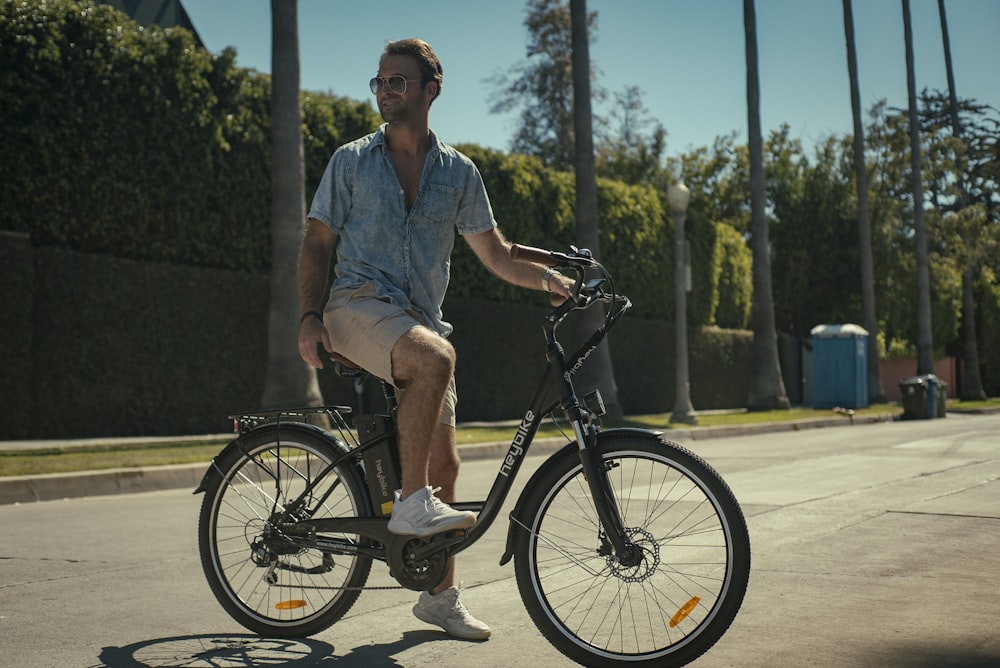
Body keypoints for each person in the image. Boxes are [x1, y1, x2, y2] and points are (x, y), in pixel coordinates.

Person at [297, 38, 573, 641]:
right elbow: (317, 242)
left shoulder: (458, 174)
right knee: (436, 358)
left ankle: (438, 599)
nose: (386, 91)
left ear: (431, 90)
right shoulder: (350, 161)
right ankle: (409, 499)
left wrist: (549, 278)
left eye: (398, 81)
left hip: (416, 321)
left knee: (446, 463)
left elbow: (496, 253)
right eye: (380, 82)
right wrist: (309, 316)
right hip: (355, 307)